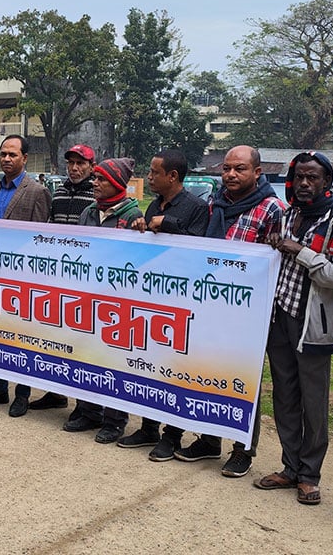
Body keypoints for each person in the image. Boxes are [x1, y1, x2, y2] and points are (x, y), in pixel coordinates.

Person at [251, 152, 333, 505]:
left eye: (313, 177)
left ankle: (310, 475)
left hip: (313, 325)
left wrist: (302, 252)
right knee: (284, 394)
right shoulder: (288, 214)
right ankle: (290, 466)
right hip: (281, 316)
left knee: (314, 402)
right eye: (299, 177)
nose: (305, 184)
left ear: (326, 181)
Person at [175, 145, 285, 477]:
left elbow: (276, 263)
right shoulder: (214, 205)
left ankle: (243, 449)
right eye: (226, 169)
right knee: (207, 372)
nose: (231, 175)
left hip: (248, 314)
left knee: (244, 379)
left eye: (239, 169)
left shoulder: (273, 210)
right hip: (210, 305)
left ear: (257, 172)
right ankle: (208, 439)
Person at [119, 149, 210, 458]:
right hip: (153, 297)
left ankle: (172, 435)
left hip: (181, 302)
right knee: (149, 364)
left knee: (175, 369)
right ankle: (148, 426)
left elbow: (197, 248)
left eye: (155, 173)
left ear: (172, 176)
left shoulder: (197, 208)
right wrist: (142, 229)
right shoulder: (154, 204)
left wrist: (167, 224)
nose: (149, 177)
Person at [57, 157, 143, 444]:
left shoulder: (133, 217)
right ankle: (87, 410)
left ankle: (115, 419)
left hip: (119, 302)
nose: (94, 183)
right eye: (94, 178)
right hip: (88, 296)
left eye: (101, 179)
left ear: (117, 183)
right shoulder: (89, 212)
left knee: (115, 360)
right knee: (85, 353)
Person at [0, 134, 50, 416]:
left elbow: (41, 239)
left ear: (24, 158)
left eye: (12, 154)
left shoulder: (37, 191)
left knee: (22, 337)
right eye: (3, 154)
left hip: (23, 278)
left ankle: (22, 393)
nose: (6, 159)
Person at [26, 143, 97, 411]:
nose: (75, 168)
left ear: (91, 166)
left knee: (83, 344)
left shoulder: (96, 194)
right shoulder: (59, 193)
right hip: (59, 278)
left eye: (81, 163)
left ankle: (86, 405)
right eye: (71, 163)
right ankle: (55, 392)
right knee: (56, 340)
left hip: (87, 281)